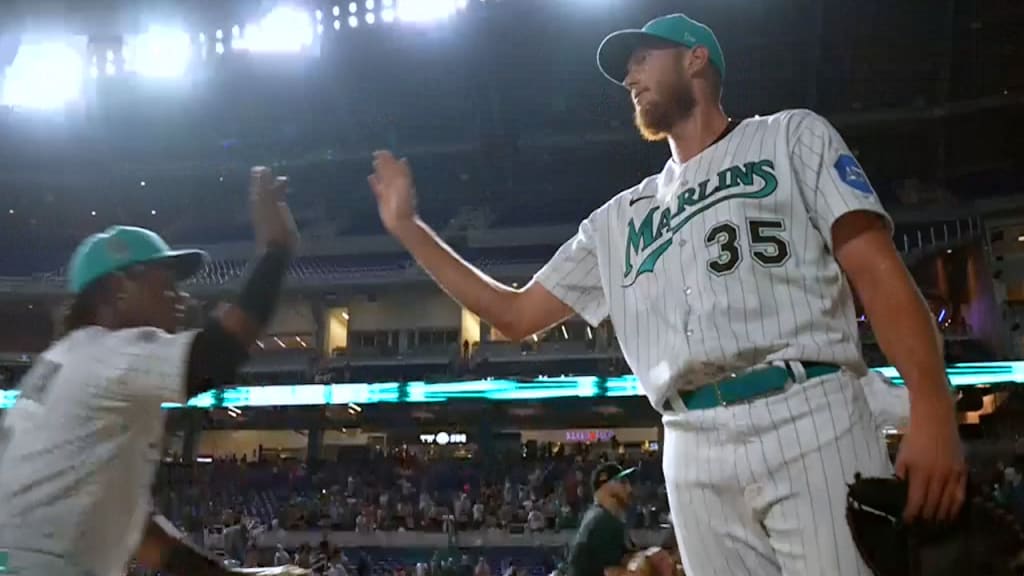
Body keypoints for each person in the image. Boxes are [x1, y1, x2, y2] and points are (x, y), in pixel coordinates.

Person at [366, 12, 965, 576]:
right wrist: (408, 230)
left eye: (643, 59)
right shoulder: (617, 219)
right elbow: (514, 314)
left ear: (697, 60)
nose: (629, 77)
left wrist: (932, 405)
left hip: (808, 410)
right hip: (689, 442)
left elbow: (876, 268)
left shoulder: (790, 136)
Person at [0, 167, 303, 576]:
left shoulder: (72, 359)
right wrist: (276, 251)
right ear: (117, 288)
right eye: (167, 283)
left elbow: (142, 535)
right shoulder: (106, 352)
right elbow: (217, 354)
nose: (181, 297)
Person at [566, 463, 636, 576]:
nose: (629, 488)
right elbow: (612, 572)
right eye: (622, 482)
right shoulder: (603, 522)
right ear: (605, 486)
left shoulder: (599, 517)